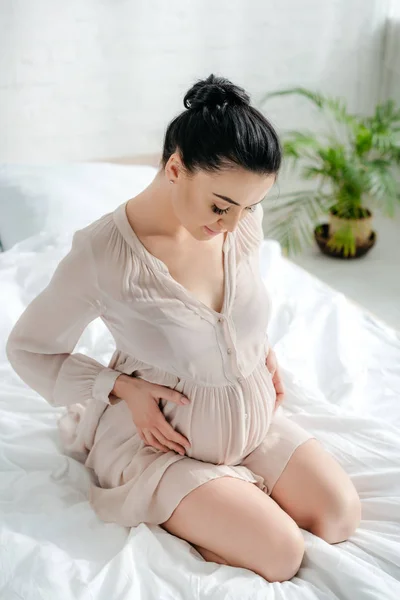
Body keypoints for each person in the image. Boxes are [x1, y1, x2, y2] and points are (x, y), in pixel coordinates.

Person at [6, 74, 361, 583]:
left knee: (340, 515)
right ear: (175, 168)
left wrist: (257, 350)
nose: (234, 224)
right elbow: (30, 349)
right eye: (222, 206)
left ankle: (230, 489)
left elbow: (235, 307)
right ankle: (197, 498)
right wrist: (121, 388)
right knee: (281, 554)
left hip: (249, 420)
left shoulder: (236, 224)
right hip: (159, 443)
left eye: (250, 207)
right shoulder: (103, 254)